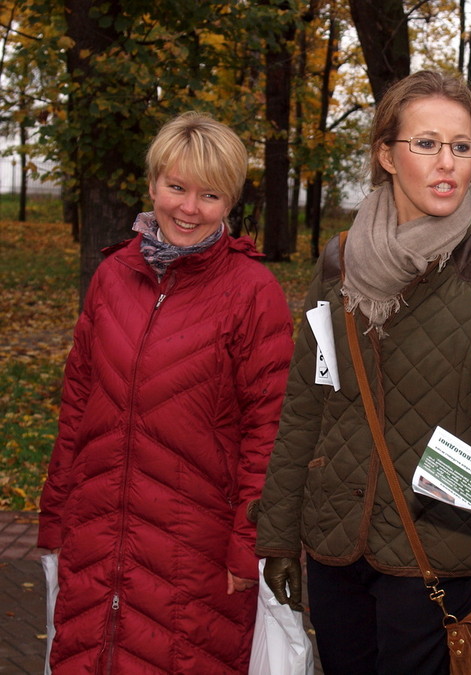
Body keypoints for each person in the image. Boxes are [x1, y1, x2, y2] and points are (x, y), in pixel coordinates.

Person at [255, 70, 471, 674]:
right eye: (426, 143)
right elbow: (307, 399)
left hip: (431, 536)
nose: (447, 162)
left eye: (462, 146)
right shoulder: (339, 261)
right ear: (386, 155)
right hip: (336, 535)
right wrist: (277, 534)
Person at [37, 112, 295, 673]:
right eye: (175, 187)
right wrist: (56, 513)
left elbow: (268, 430)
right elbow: (77, 402)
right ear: (152, 184)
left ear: (230, 202)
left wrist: (248, 542)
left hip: (194, 553)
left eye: (209, 194)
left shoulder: (253, 293)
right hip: (96, 533)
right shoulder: (112, 276)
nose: (187, 207)